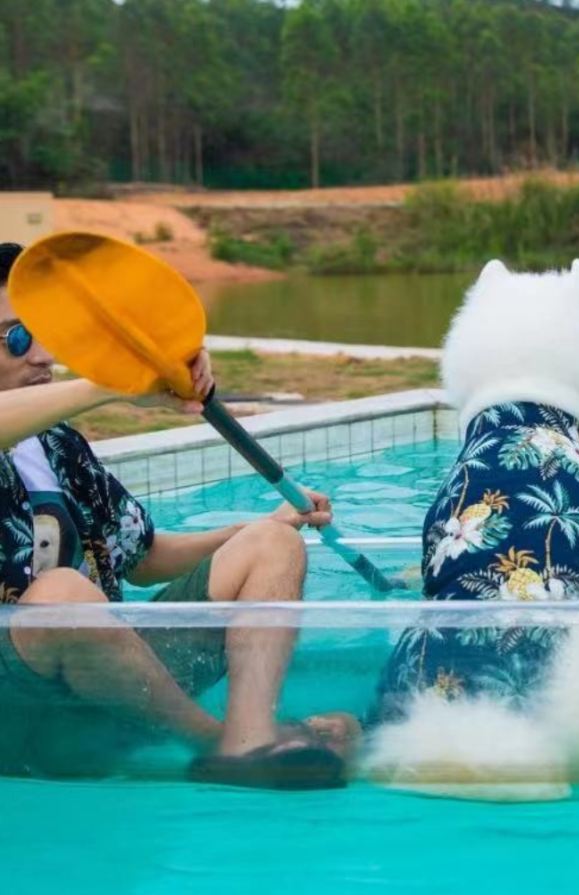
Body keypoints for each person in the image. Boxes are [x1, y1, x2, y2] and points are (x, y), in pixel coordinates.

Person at [0, 242, 356, 788]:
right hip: (16, 713)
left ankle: (249, 742)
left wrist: (259, 530)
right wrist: (115, 381)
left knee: (269, 545)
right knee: (61, 597)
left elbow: (143, 558)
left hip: (108, 687)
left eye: (48, 336)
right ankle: (212, 741)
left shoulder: (60, 447)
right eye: (18, 338)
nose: (43, 355)